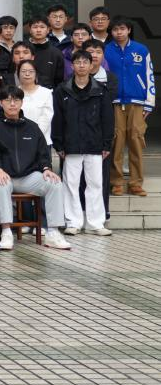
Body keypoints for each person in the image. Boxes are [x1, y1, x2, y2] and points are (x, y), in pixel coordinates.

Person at [0, 86, 72, 250]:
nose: (12, 104)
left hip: (27, 177)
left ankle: (53, 232)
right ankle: (6, 231)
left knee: (54, 183)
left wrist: (46, 168)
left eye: (16, 100)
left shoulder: (32, 127)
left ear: (21, 102)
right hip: (2, 175)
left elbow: (42, 153)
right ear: (1, 103)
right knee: (1, 184)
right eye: (8, 100)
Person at [53, 50, 114, 236]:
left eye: (85, 62)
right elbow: (57, 119)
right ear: (72, 66)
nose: (81, 65)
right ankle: (73, 222)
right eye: (77, 62)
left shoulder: (101, 90)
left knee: (95, 184)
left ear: (91, 65)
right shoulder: (62, 90)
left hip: (95, 144)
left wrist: (107, 144)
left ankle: (96, 223)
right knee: (70, 184)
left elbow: (108, 119)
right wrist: (59, 144)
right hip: (70, 145)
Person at [103, 17, 153, 196]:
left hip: (137, 102)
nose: (119, 32)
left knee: (136, 141)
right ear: (111, 32)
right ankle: (116, 182)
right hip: (114, 102)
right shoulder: (106, 50)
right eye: (115, 29)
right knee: (116, 142)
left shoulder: (141, 49)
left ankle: (135, 183)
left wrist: (149, 103)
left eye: (122, 29)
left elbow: (149, 75)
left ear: (129, 30)